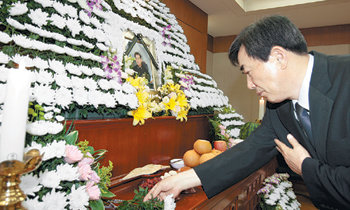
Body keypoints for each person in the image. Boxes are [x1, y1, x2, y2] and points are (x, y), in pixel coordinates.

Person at [144, 15, 350, 209]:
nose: (249, 85)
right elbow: (251, 150)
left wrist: (306, 168)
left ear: (279, 57)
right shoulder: (278, 106)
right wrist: (182, 179)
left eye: (249, 72)